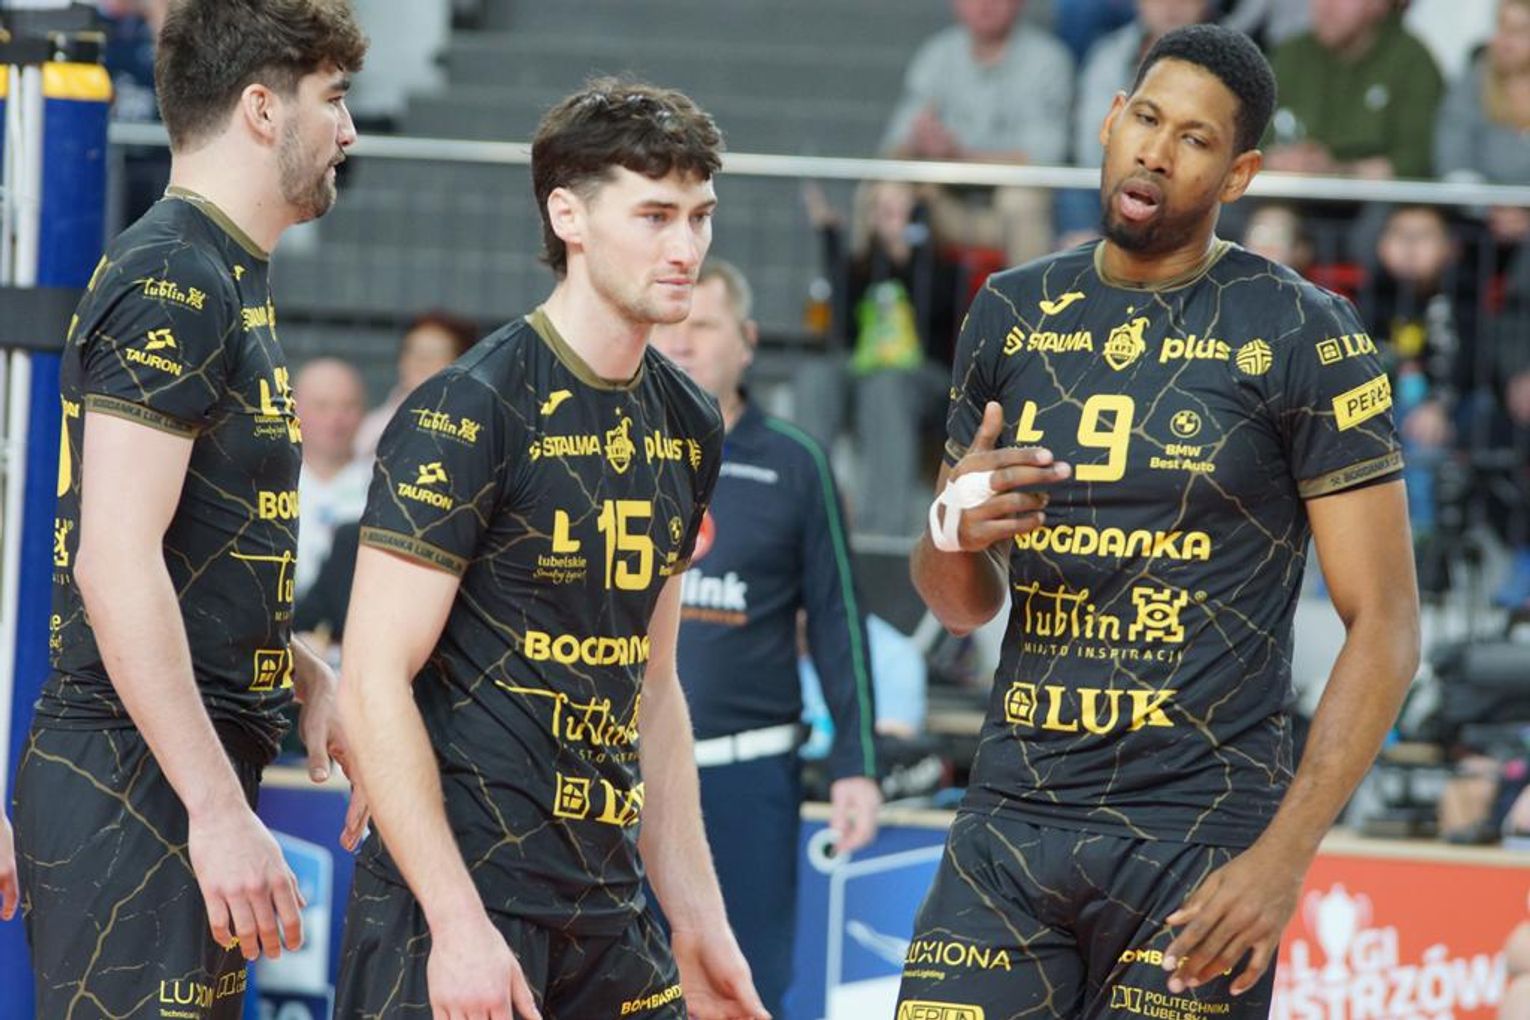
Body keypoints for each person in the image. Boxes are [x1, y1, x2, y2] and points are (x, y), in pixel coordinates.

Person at [897, 24, 1420, 1019]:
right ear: (1110, 119)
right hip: (1013, 820)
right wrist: (949, 529)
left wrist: (1283, 857)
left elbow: (1387, 624)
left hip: (1198, 836)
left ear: (1239, 175)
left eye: (1194, 138)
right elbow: (960, 604)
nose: (1156, 152)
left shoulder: (1302, 330)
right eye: (1146, 119)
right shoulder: (1010, 311)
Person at [332, 79, 768, 1020]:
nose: (686, 248)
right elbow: (370, 678)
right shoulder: (471, 406)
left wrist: (698, 919)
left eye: (699, 216)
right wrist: (456, 925)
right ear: (567, 215)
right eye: (654, 216)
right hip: (459, 906)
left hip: (608, 910)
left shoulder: (690, 420)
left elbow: (654, 685)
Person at [10, 2, 369, 1016]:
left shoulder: (217, 270)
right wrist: (214, 812)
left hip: (165, 764)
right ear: (262, 108)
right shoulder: (175, 273)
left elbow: (182, 549)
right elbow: (114, 563)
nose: (349, 131)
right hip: (133, 777)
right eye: (333, 99)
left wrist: (295, 666)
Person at [649, 259, 883, 1017]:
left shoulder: (795, 461)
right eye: (670, 324)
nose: (682, 342)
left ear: (747, 341)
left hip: (747, 778)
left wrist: (857, 765)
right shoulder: (608, 448)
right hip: (621, 771)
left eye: (704, 325)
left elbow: (840, 616)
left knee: (743, 989)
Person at [798, 179, 962, 535]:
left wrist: (907, 252)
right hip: (863, 365)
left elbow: (942, 318)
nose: (890, 215)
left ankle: (881, 531)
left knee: (884, 386)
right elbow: (843, 324)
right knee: (817, 376)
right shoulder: (859, 267)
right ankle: (804, 513)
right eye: (881, 207)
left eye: (899, 205)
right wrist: (831, 238)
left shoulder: (942, 267)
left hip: (923, 374)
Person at [881, 0, 1075, 265]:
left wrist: (959, 155)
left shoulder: (1048, 60)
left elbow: (1045, 157)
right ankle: (888, 287)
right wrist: (918, 141)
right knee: (886, 189)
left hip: (1004, 211)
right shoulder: (937, 54)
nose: (985, 4)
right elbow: (894, 143)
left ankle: (1028, 294)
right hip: (942, 201)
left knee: (1022, 200)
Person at [1267, 0, 1444, 181]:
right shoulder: (1292, 54)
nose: (1327, 5)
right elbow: (1257, 140)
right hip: (1286, 190)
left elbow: (1417, 162)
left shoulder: (1412, 63)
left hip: (1375, 196)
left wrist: (1337, 171)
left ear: (1378, 5)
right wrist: (1280, 160)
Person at [1434, 0, 1530, 254]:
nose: (1504, 40)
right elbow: (1454, 162)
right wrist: (1490, 209)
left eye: (1519, 31)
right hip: (1479, 222)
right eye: (1501, 26)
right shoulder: (1473, 83)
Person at [352, 308, 478, 461]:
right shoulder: (372, 425)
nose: (420, 361)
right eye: (413, 351)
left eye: (434, 354)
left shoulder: (471, 428)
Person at [291, 356, 371, 599]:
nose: (335, 419)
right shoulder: (266, 482)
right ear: (293, 409)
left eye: (347, 406)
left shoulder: (384, 486)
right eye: (321, 406)